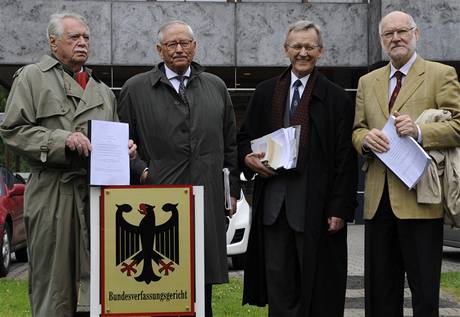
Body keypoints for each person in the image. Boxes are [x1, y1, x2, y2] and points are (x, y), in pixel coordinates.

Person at [0, 12, 137, 317]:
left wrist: (124, 147)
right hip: (52, 191)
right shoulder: (33, 77)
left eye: (86, 37)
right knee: (55, 283)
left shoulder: (101, 89)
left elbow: (111, 132)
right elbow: (12, 130)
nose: (82, 43)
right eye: (74, 37)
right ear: (53, 42)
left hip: (97, 195)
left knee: (101, 280)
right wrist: (60, 139)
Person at [117, 20, 239, 316]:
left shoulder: (216, 87)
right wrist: (143, 172)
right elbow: (121, 143)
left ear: (195, 47)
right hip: (158, 202)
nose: (179, 49)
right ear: (159, 50)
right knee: (162, 284)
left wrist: (231, 191)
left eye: (185, 43)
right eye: (172, 44)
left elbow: (230, 145)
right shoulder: (136, 89)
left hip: (206, 200)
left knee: (201, 287)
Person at [238, 20, 357, 317]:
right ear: (285, 50)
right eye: (296, 46)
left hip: (315, 207)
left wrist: (340, 208)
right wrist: (247, 159)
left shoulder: (335, 97)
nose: (302, 52)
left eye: (309, 47)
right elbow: (242, 140)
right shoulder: (267, 92)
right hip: (274, 207)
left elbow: (345, 157)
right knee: (278, 283)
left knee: (318, 286)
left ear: (320, 52)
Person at [352, 11, 460, 317]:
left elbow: (459, 126)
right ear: (381, 40)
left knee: (425, 293)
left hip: (421, 198)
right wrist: (365, 140)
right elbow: (357, 129)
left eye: (402, 31)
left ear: (417, 34)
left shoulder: (441, 74)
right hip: (377, 200)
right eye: (389, 34)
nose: (396, 38)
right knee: (380, 293)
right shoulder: (366, 81)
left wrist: (421, 131)